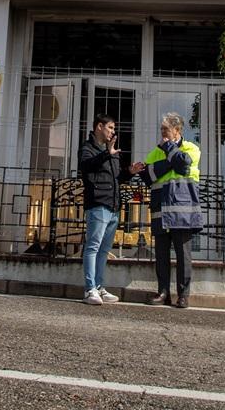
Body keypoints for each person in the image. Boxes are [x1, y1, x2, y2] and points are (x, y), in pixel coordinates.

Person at [135, 111, 202, 309]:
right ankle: (163, 292)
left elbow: (184, 165)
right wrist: (171, 159)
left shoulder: (192, 148)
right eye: (161, 129)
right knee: (162, 256)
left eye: (166, 129)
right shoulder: (156, 151)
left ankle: (183, 295)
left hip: (183, 212)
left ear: (177, 130)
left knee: (183, 256)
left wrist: (168, 151)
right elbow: (147, 175)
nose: (162, 132)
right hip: (161, 212)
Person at [78, 113, 142, 305]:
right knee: (93, 247)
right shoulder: (87, 148)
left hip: (113, 206)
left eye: (113, 129)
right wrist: (107, 153)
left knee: (104, 249)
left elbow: (117, 178)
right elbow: (86, 166)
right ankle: (89, 289)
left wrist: (129, 172)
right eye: (110, 128)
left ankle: (99, 287)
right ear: (99, 127)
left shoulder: (112, 152)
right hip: (97, 204)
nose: (113, 132)